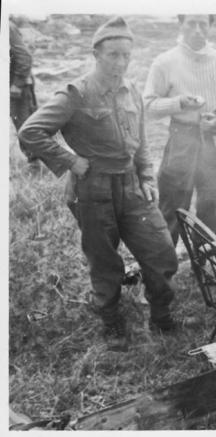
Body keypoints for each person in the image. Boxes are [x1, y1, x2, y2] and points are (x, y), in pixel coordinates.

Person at [18, 17, 180, 348]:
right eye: (113, 55)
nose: (120, 63)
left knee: (161, 251)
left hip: (132, 185)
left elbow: (142, 141)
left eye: (125, 55)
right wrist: (70, 161)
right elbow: (30, 131)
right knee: (104, 261)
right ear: (96, 54)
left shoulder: (132, 90)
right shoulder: (76, 93)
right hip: (93, 189)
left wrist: (147, 176)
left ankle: (161, 318)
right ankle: (112, 323)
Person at [143, 14, 216, 243]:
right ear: (181, 24)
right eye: (191, 23)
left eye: (203, 24)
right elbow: (148, 106)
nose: (197, 30)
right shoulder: (164, 62)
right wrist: (179, 103)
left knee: (214, 207)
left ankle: (205, 266)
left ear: (211, 25)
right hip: (182, 139)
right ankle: (164, 270)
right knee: (171, 207)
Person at [10, 19, 39, 165]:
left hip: (16, 87)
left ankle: (35, 164)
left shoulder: (7, 27)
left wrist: (17, 84)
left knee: (25, 125)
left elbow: (24, 57)